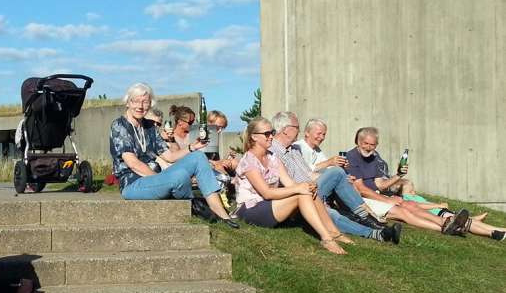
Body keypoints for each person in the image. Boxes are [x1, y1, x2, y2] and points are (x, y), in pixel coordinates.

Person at [109, 83, 238, 228]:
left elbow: (169, 156)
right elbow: (133, 163)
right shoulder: (120, 125)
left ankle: (221, 213)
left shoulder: (150, 126)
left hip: (159, 178)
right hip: (133, 183)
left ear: (150, 104)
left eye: (145, 102)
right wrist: (160, 179)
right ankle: (194, 203)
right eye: (136, 101)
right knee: (179, 177)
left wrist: (192, 147)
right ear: (128, 102)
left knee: (198, 157)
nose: (140, 106)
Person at [234, 117, 349, 254]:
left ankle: (334, 232)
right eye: (267, 134)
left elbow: (289, 183)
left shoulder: (273, 158)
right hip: (250, 209)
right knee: (301, 194)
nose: (271, 136)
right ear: (254, 137)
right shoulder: (249, 161)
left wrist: (305, 186)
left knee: (308, 191)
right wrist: (298, 188)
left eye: (272, 132)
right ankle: (327, 239)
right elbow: (266, 193)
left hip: (270, 204)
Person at [269, 112, 387, 231]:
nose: (299, 131)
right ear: (285, 130)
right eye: (297, 128)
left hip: (312, 189)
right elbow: (280, 184)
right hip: (299, 194)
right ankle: (369, 225)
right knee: (332, 211)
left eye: (324, 134)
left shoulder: (294, 149)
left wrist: (335, 177)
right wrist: (331, 169)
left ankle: (373, 226)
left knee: (339, 178)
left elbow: (309, 173)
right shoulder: (274, 151)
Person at [346, 127, 470, 236]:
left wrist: (399, 175)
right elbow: (361, 190)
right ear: (358, 141)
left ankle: (444, 222)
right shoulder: (351, 157)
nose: (368, 148)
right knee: (403, 211)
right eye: (365, 143)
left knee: (410, 205)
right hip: (364, 200)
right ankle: (445, 228)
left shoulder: (373, 156)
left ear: (376, 145)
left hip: (377, 195)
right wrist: (387, 200)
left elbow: (380, 185)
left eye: (372, 145)